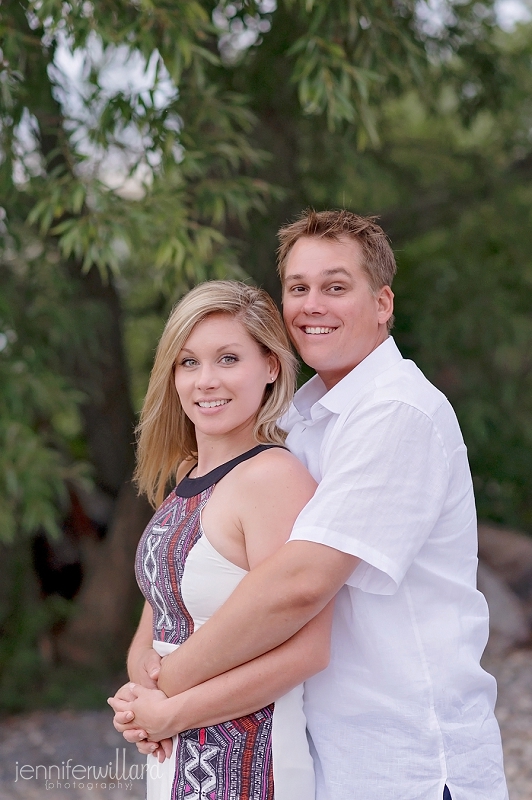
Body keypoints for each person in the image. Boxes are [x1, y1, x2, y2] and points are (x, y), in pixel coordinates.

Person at [113, 209, 508, 800]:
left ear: (383, 304)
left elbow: (299, 584)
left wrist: (165, 690)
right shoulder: (303, 420)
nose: (312, 304)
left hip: (409, 761)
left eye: (336, 287)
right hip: (325, 752)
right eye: (298, 288)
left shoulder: (396, 412)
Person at [108, 280, 333, 800]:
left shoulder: (273, 479)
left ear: (271, 366)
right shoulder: (186, 475)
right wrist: (137, 699)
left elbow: (308, 652)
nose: (206, 381)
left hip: (247, 762)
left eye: (228, 359)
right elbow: (158, 619)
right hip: (172, 749)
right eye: (188, 362)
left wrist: (166, 709)